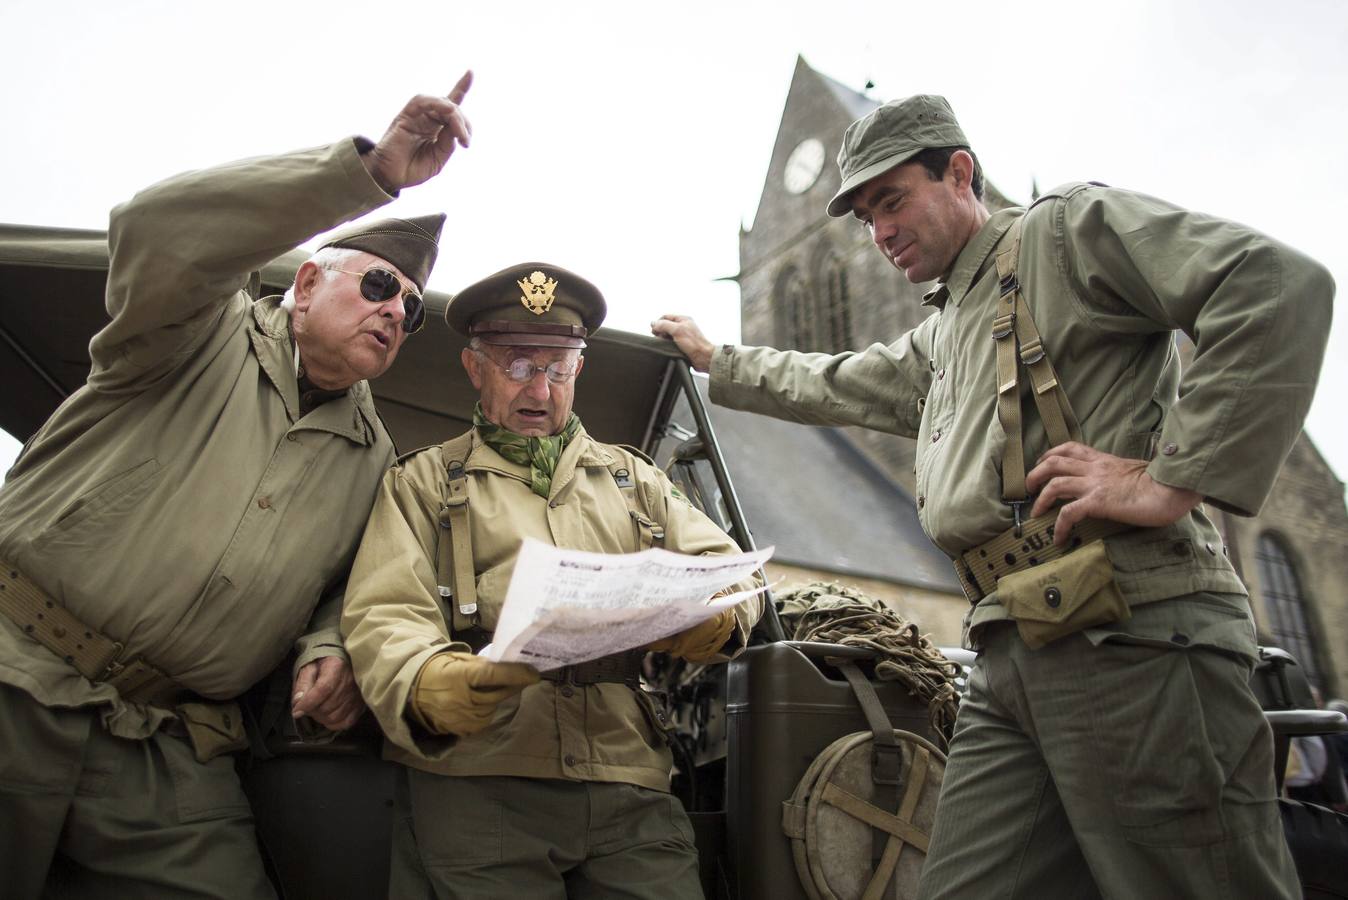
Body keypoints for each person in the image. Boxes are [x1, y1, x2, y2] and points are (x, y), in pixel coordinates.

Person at [653, 94, 1334, 898]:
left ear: (961, 173)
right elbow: (832, 380)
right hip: (1011, 651)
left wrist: (1168, 479)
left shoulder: (1063, 233)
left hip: (1130, 635)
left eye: (893, 200)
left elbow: (1274, 285)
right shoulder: (947, 329)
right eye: (866, 218)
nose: (880, 234)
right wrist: (716, 358)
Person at [0, 75, 475, 898]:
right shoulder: (187, 333)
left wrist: (331, 649)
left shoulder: (375, 458)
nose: (396, 310)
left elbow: (351, 586)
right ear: (303, 286)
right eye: (375, 285)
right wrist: (370, 174)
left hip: (162, 744)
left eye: (409, 308)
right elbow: (157, 229)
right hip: (14, 674)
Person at [341, 262, 763, 898]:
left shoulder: (635, 480)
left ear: (579, 371)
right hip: (478, 780)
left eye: (557, 368)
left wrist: (715, 617)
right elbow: (385, 612)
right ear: (474, 367)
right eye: (516, 365)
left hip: (629, 780)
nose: (539, 390)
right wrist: (432, 682)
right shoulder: (423, 482)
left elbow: (730, 573)